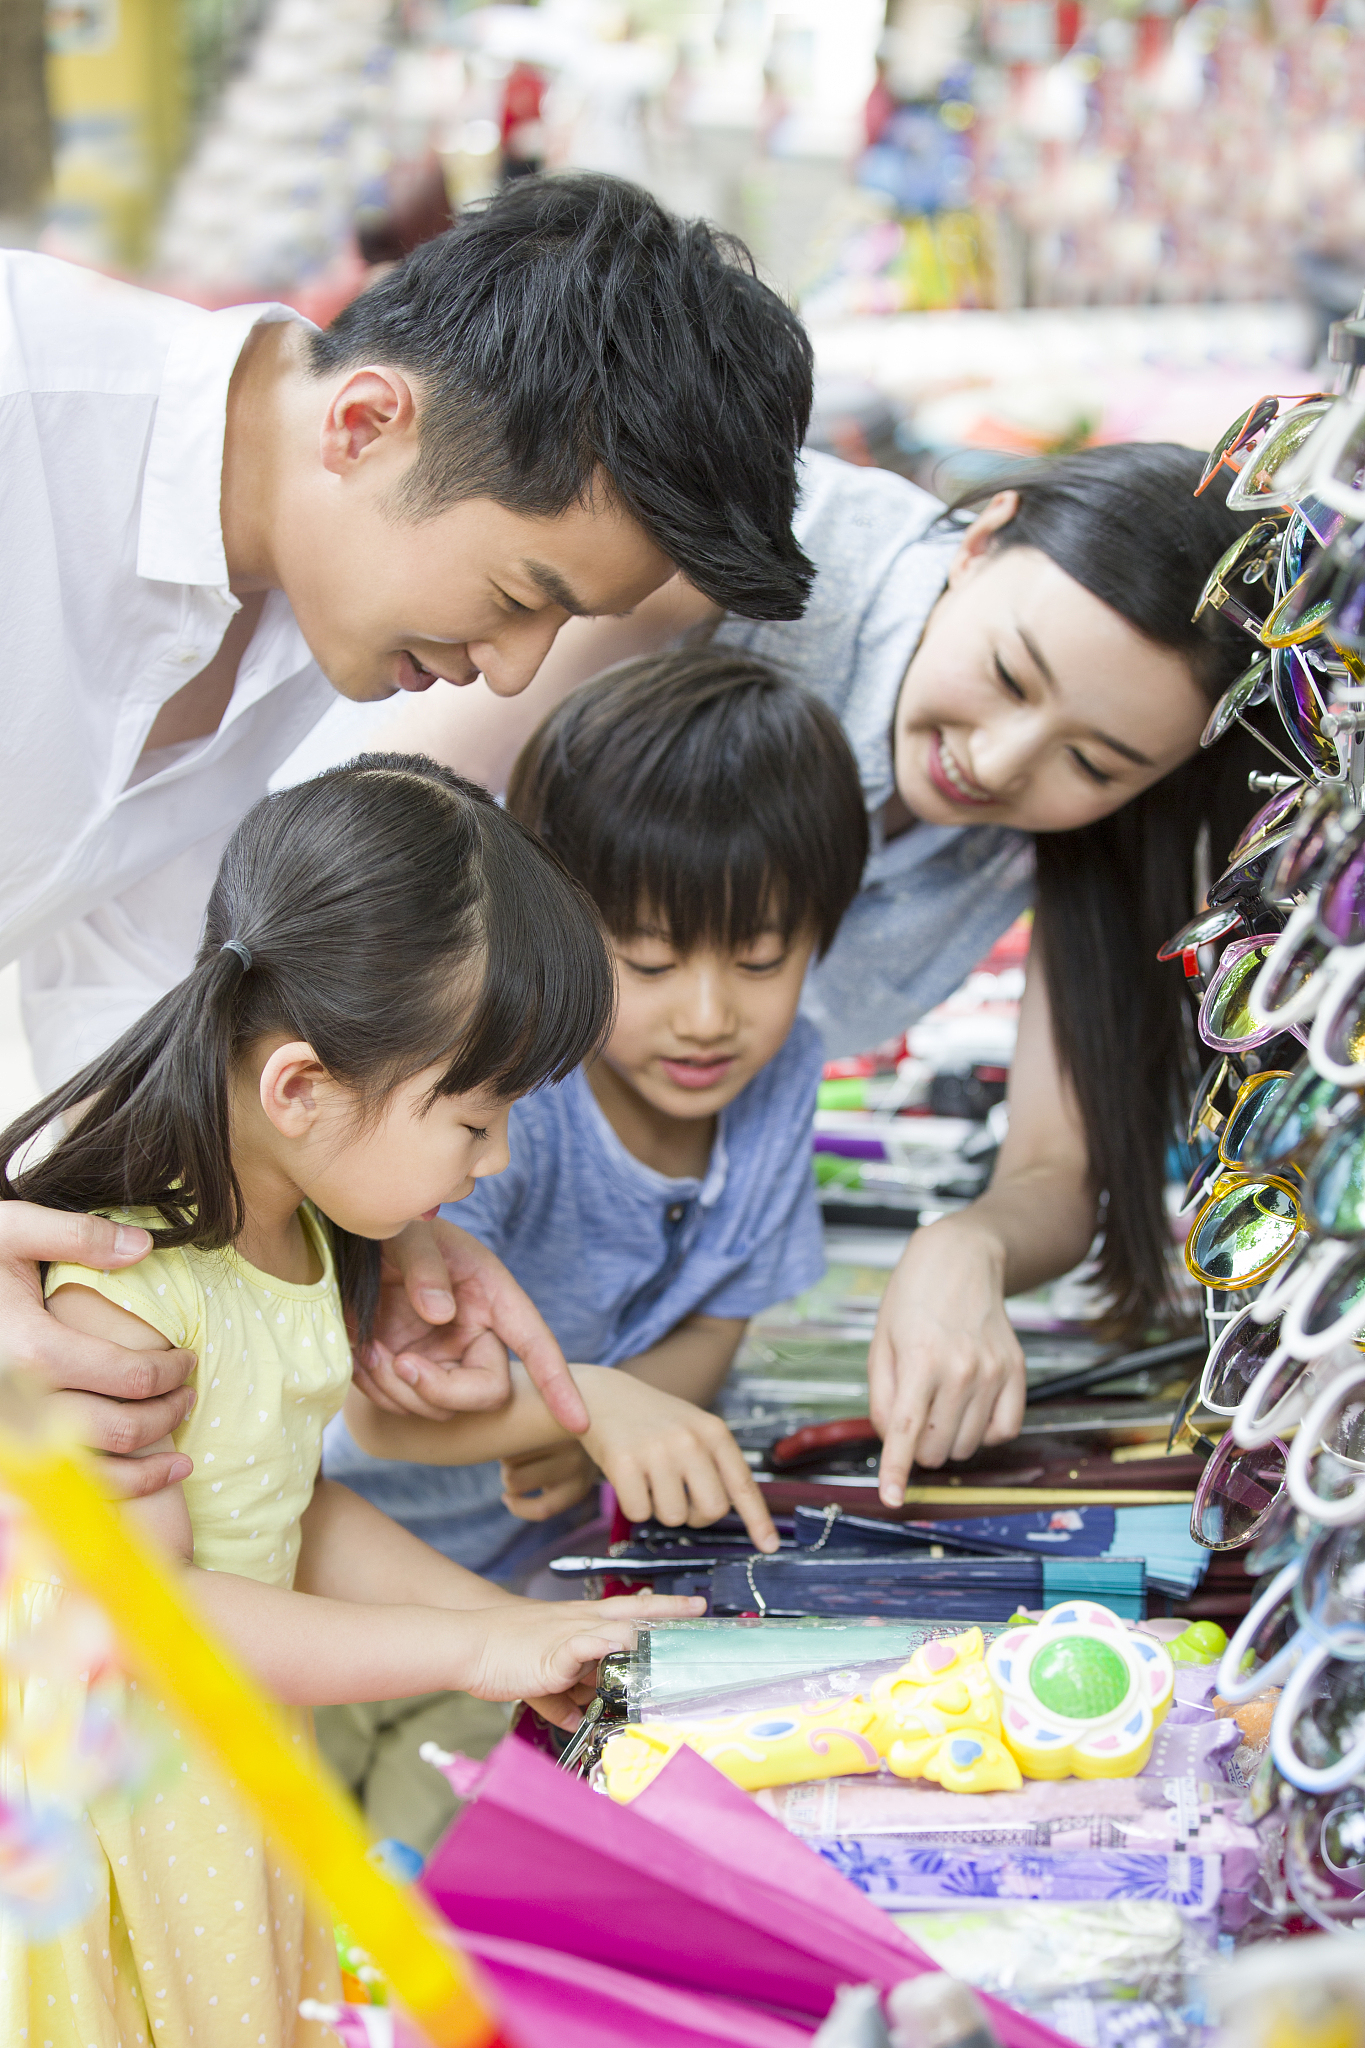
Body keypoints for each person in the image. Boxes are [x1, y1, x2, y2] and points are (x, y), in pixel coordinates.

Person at [0, 170, 814, 1495]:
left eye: (561, 631)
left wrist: (339, 1200)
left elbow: (125, 989)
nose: (508, 672)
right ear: (369, 422)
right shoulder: (22, 414)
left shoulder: (306, 605)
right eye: (517, 595)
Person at [363, 440, 1266, 1505]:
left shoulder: (789, 1064)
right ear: (982, 536)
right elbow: (365, 847)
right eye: (1012, 675)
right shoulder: (732, 551)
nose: (999, 759)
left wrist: (965, 1244)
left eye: (1094, 764)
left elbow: (1052, 1172)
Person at [0, 753, 701, 2045]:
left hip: (218, 1768)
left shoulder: (297, 1233)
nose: (491, 1168)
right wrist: (477, 1647)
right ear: (301, 1087)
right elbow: (154, 1624)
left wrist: (515, 1629)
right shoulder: (128, 1289)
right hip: (113, 1795)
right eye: (472, 1120)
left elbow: (280, 1509)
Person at [316, 652, 869, 1842]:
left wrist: (610, 1430)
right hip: (336, 1576)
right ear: (561, 926)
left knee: (441, 1878)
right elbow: (384, 1414)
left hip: (525, 1601)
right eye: (654, 963)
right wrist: (592, 1407)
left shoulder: (783, 1087)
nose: (711, 1013)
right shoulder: (506, 1105)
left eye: (762, 958)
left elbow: (722, 1316)